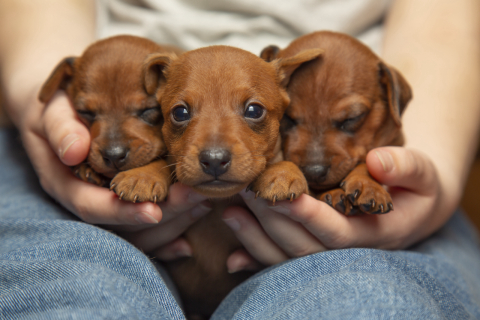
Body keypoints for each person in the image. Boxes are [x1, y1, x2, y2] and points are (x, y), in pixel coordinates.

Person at [0, 0, 479, 318]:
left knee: (363, 302)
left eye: (255, 112)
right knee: (72, 289)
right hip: (63, 143)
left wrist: (431, 168)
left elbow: (444, 25)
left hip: (416, 142)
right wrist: (39, 104)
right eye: (179, 112)